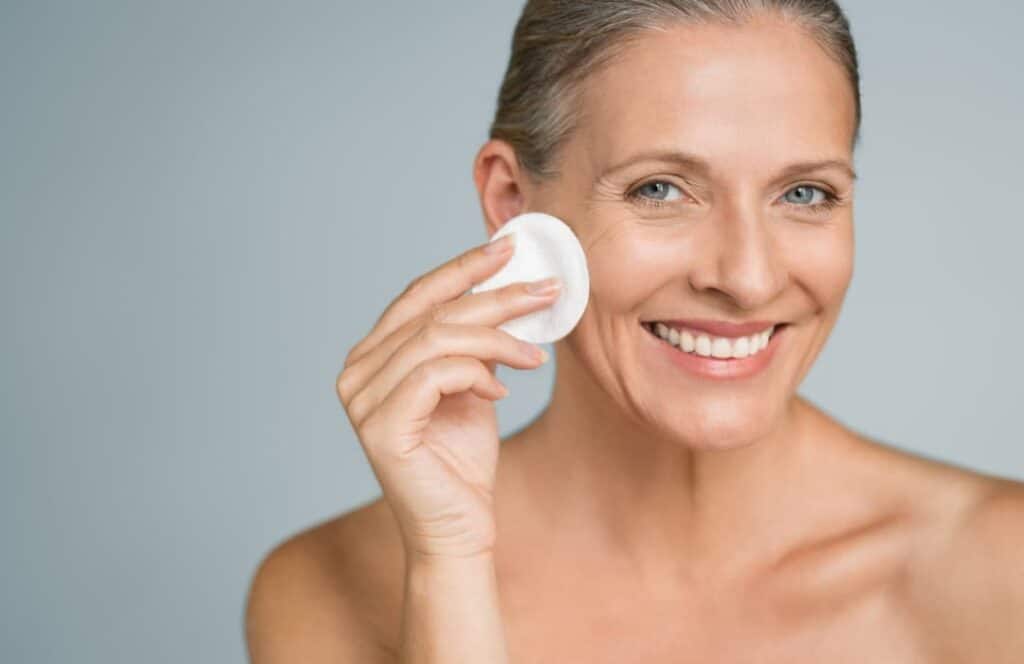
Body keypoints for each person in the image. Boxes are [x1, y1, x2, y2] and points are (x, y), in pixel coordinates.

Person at [244, 1, 1024, 661]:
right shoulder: (331, 589)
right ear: (514, 202)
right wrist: (450, 567)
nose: (748, 277)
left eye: (807, 193)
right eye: (662, 189)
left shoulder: (999, 573)